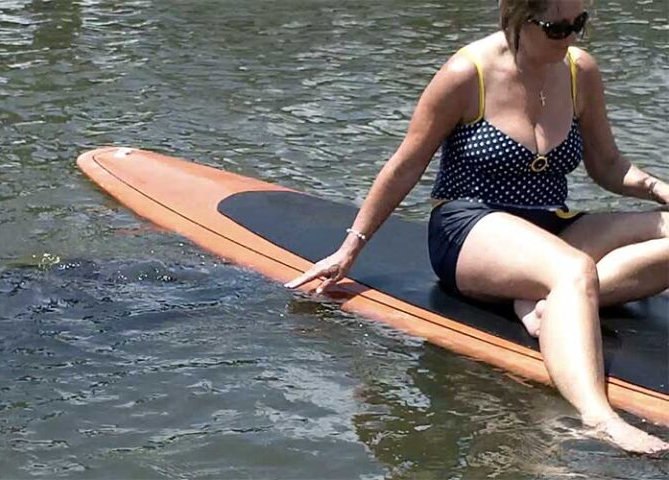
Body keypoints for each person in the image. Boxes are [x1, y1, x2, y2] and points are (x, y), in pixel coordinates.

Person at [286, 0, 669, 454]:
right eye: (555, 27)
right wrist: (350, 248)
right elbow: (406, 164)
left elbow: (606, 164)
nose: (569, 37)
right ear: (518, 18)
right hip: (470, 226)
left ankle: (549, 303)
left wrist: (658, 187)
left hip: (553, 223)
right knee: (573, 272)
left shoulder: (579, 70)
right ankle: (597, 417)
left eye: (578, 24)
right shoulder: (467, 75)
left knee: (585, 268)